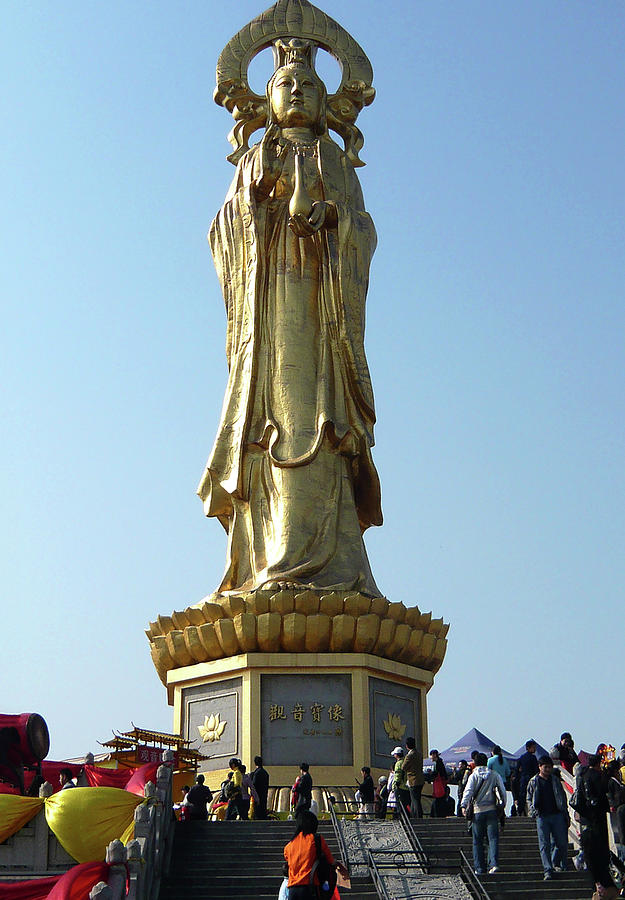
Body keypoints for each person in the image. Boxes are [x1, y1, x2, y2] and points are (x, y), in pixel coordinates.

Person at [197, 36, 382, 597]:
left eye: (308, 86)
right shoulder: (256, 158)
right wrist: (252, 205)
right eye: (286, 85)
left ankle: (331, 565)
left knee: (320, 424)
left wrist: (329, 218)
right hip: (270, 308)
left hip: (321, 311)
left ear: (328, 104)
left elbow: (363, 233)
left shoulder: (332, 160)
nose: (298, 92)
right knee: (266, 422)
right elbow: (222, 232)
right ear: (267, 99)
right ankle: (263, 558)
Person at [283, 810, 348, 900]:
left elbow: (288, 861)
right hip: (310, 888)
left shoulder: (289, 846)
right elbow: (331, 861)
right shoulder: (316, 839)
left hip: (293, 890)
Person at [461, 752, 506, 876]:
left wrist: (463, 805)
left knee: (477, 841)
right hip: (491, 810)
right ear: (486, 762)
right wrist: (502, 807)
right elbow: (502, 792)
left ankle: (479, 868)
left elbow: (468, 791)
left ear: (474, 763)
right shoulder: (494, 775)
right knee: (493, 839)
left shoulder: (473, 775)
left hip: (478, 811)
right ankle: (493, 864)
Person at [581, 753, 618, 898]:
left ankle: (598, 887)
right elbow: (604, 790)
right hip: (597, 817)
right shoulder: (597, 776)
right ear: (598, 764)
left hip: (587, 818)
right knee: (601, 851)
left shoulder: (583, 776)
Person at [527, 756, 569, 880]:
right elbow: (529, 797)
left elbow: (562, 797)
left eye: (549, 767)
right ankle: (548, 869)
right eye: (545, 767)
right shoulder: (534, 781)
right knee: (544, 844)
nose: (547, 769)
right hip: (541, 816)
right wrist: (532, 810)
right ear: (540, 767)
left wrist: (565, 813)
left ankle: (554, 861)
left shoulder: (555, 780)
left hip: (557, 814)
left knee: (561, 842)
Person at [516, 740, 540, 815]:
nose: (535, 749)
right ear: (528, 748)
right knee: (532, 795)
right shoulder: (533, 758)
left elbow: (517, 769)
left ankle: (520, 811)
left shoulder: (521, 757)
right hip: (531, 778)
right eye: (533, 748)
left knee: (522, 795)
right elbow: (536, 769)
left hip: (523, 778)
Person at [403, 736, 424, 818]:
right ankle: (414, 815)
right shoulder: (419, 754)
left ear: (407, 746)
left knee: (415, 800)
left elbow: (403, 767)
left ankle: (417, 816)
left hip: (413, 780)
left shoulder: (409, 755)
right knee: (416, 798)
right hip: (420, 779)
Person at [429, 749, 448, 818]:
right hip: (441, 785)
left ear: (434, 755)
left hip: (439, 785)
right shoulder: (440, 762)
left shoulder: (438, 763)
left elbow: (438, 774)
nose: (430, 757)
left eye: (431, 755)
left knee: (438, 801)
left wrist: (431, 774)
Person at [391, 747, 409, 817]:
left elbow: (398, 775)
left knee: (400, 805)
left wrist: (395, 785)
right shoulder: (405, 761)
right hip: (407, 787)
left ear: (397, 755)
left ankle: (401, 818)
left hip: (400, 787)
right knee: (406, 804)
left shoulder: (398, 763)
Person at [252, 755, 270, 820]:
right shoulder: (265, 773)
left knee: (257, 813)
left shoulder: (256, 773)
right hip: (264, 795)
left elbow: (254, 785)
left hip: (257, 795)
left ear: (255, 763)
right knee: (263, 811)